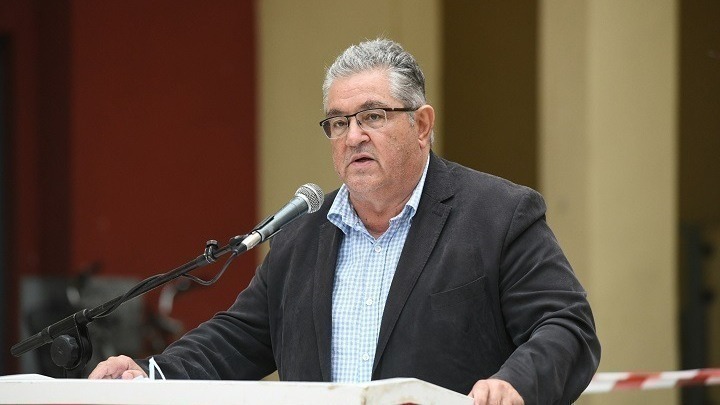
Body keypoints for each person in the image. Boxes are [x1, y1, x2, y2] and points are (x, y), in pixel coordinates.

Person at [89, 38, 600, 404]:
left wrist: (515, 384)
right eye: (338, 122)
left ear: (422, 125)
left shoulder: (498, 215)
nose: (353, 136)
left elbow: (567, 327)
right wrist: (149, 377)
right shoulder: (301, 236)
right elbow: (236, 339)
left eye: (372, 116)